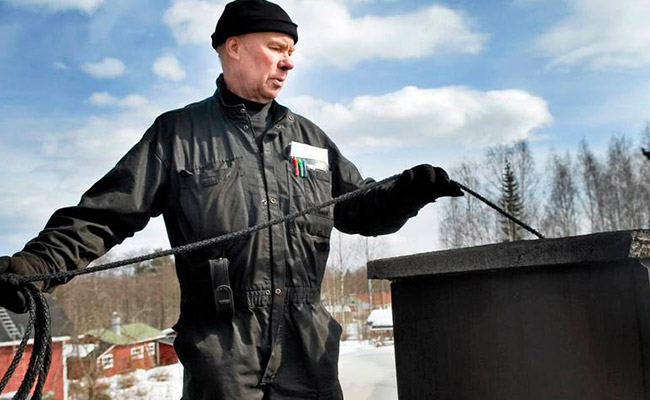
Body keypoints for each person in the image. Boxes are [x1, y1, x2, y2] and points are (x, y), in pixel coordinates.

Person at [0, 0, 463, 398]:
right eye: (277, 48)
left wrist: (407, 193)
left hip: (309, 348)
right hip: (222, 354)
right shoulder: (178, 134)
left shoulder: (308, 139)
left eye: (292, 52)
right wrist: (37, 266)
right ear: (233, 47)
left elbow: (358, 209)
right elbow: (105, 216)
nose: (289, 62)